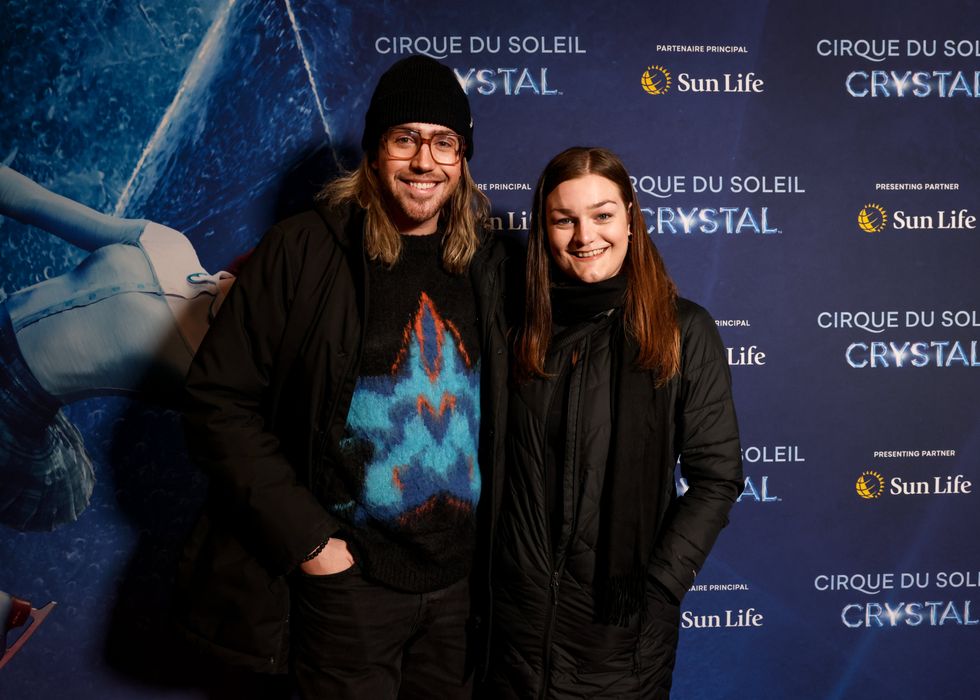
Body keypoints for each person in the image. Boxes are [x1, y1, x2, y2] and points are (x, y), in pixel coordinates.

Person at [175, 55, 510, 699]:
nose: (423, 161)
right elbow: (217, 403)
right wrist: (311, 545)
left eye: (444, 142)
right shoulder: (302, 251)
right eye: (404, 139)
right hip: (351, 588)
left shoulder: (489, 265)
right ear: (374, 150)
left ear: (463, 158)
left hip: (460, 589)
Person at [486, 147, 743, 698]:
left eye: (602, 215)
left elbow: (718, 475)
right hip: (512, 632)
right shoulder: (518, 326)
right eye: (565, 220)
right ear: (544, 227)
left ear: (630, 216)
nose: (585, 236)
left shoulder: (682, 330)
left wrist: (658, 588)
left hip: (619, 635)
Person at [0, 164, 234, 531]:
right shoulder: (201, 373)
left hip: (4, 317)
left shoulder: (167, 243)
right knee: (68, 489)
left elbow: (27, 200)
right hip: (11, 402)